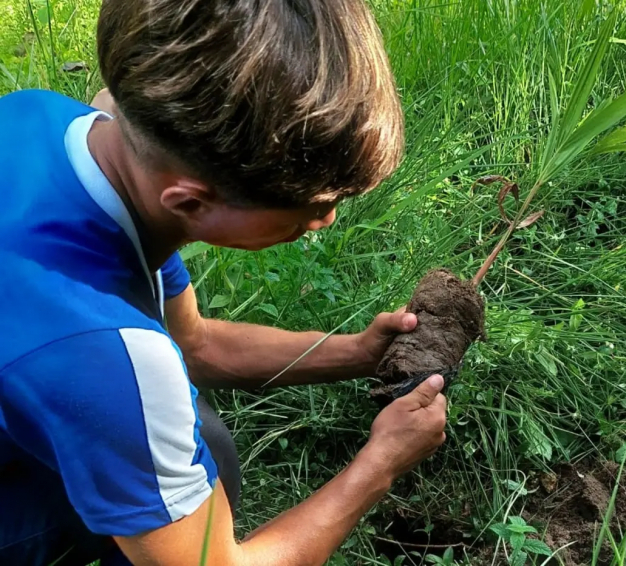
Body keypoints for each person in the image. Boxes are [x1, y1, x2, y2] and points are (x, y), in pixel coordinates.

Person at [0, 1, 448, 564]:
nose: (325, 219)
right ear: (189, 200)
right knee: (179, 452)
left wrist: (359, 353)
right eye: (311, 206)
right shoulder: (108, 357)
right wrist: (379, 464)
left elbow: (196, 345)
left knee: (202, 442)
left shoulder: (41, 119)